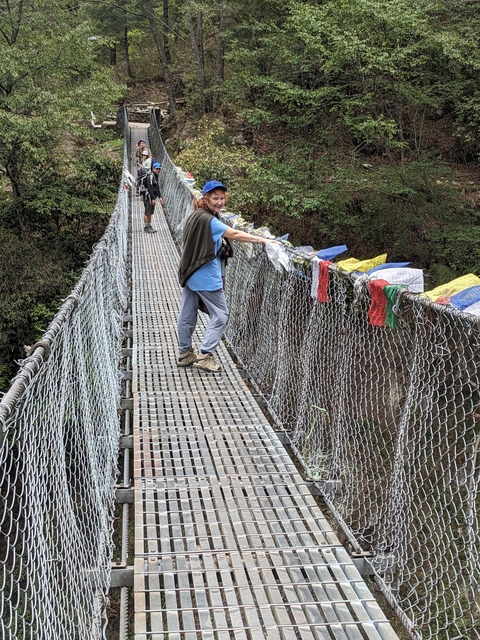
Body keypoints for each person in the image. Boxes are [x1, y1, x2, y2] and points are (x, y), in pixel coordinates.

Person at [177, 180, 281, 372]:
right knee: (221, 315)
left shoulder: (197, 215)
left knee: (187, 313)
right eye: (215, 198)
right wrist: (263, 240)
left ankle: (185, 353)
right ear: (206, 198)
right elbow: (234, 234)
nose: (219, 202)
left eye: (222, 198)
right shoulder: (209, 220)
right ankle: (205, 355)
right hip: (206, 276)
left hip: (190, 272)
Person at [143, 161, 162, 233]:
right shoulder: (150, 176)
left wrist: (159, 196)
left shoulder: (155, 176)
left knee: (151, 212)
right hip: (147, 196)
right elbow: (150, 187)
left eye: (159, 169)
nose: (158, 170)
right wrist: (153, 198)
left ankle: (149, 225)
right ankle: (146, 227)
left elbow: (157, 187)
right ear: (153, 168)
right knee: (147, 211)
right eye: (157, 169)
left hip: (152, 196)